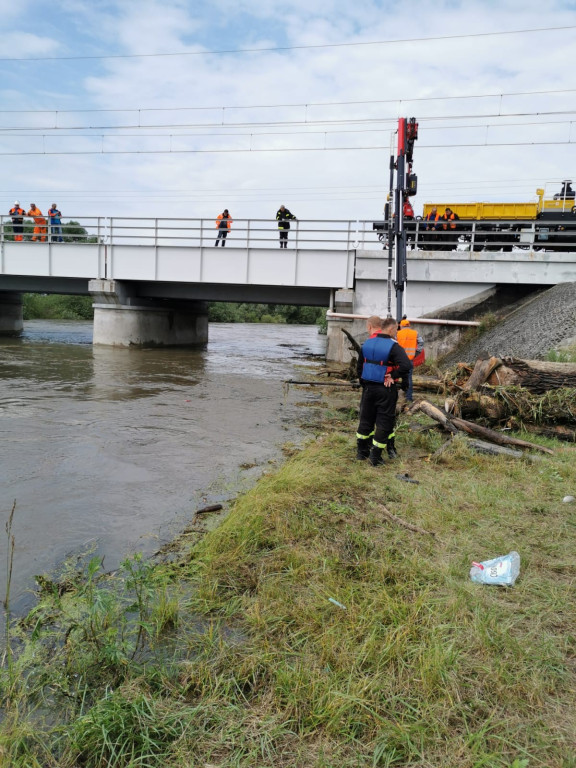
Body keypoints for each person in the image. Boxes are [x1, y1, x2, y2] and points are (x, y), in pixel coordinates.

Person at [356, 315, 411, 466]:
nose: (396, 333)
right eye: (396, 330)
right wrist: (392, 376)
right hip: (385, 389)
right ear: (392, 329)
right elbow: (406, 366)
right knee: (384, 422)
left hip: (368, 388)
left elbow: (359, 367)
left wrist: (364, 384)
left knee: (365, 420)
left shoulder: (367, 343)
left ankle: (361, 453)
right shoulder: (393, 346)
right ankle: (375, 457)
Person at [396, 316, 424, 403]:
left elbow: (394, 344)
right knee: (408, 379)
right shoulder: (415, 333)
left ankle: (395, 397)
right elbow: (421, 342)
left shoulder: (397, 334)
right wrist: (416, 353)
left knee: (395, 377)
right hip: (410, 360)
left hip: (399, 360)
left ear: (401, 326)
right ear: (409, 325)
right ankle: (409, 398)